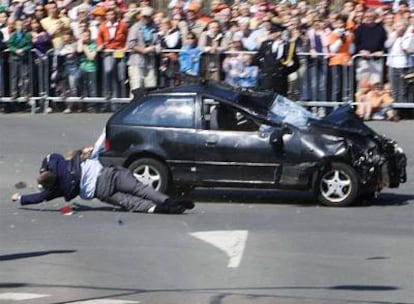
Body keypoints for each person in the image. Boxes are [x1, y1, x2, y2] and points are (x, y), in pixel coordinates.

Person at [11, 132, 195, 214]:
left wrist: (20, 198)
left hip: (101, 192)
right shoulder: (64, 163)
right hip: (109, 175)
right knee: (141, 189)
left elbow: (38, 197)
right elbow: (54, 156)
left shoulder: (55, 190)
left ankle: (158, 209)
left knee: (131, 202)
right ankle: (168, 201)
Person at [253, 23, 300, 96]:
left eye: (273, 32)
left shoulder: (288, 45)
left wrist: (285, 72)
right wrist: (264, 69)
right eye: (270, 32)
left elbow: (296, 63)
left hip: (281, 78)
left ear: (279, 33)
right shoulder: (265, 44)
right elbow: (257, 58)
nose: (271, 34)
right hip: (267, 78)